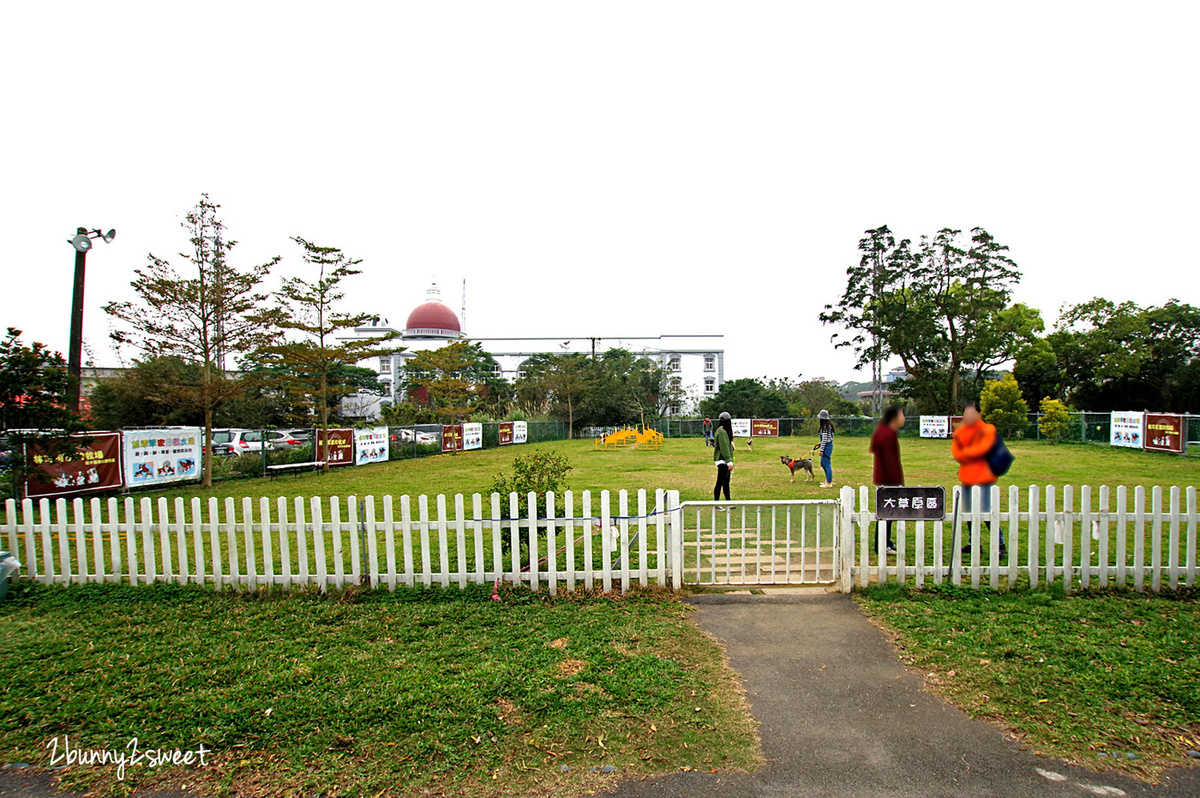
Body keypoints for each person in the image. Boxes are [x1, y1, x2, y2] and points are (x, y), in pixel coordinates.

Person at [951, 401, 1006, 557]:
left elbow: (980, 450)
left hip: (984, 477)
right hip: (967, 477)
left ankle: (1000, 544)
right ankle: (973, 542)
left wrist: (966, 452)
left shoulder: (988, 430)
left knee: (987, 511)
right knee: (969, 511)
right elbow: (957, 453)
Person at [869, 405, 905, 553]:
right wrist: (898, 483)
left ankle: (886, 541)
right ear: (894, 417)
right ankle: (881, 544)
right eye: (902, 415)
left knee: (887, 512)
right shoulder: (887, 434)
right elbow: (890, 462)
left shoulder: (884, 431)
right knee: (887, 513)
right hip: (889, 480)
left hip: (884, 478)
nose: (904, 418)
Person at [712, 412, 735, 505]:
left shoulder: (720, 430)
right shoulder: (722, 432)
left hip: (723, 460)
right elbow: (724, 447)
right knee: (720, 483)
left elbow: (726, 444)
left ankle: (728, 502)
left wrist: (731, 444)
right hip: (722, 460)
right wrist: (729, 461)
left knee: (726, 483)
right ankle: (716, 504)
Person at [816, 410, 835, 487]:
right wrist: (820, 443)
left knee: (826, 464)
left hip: (827, 447)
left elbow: (824, 439)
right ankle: (827, 479)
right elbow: (829, 437)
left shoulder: (825, 427)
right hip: (828, 445)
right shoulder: (829, 426)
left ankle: (829, 482)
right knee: (823, 464)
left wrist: (821, 450)